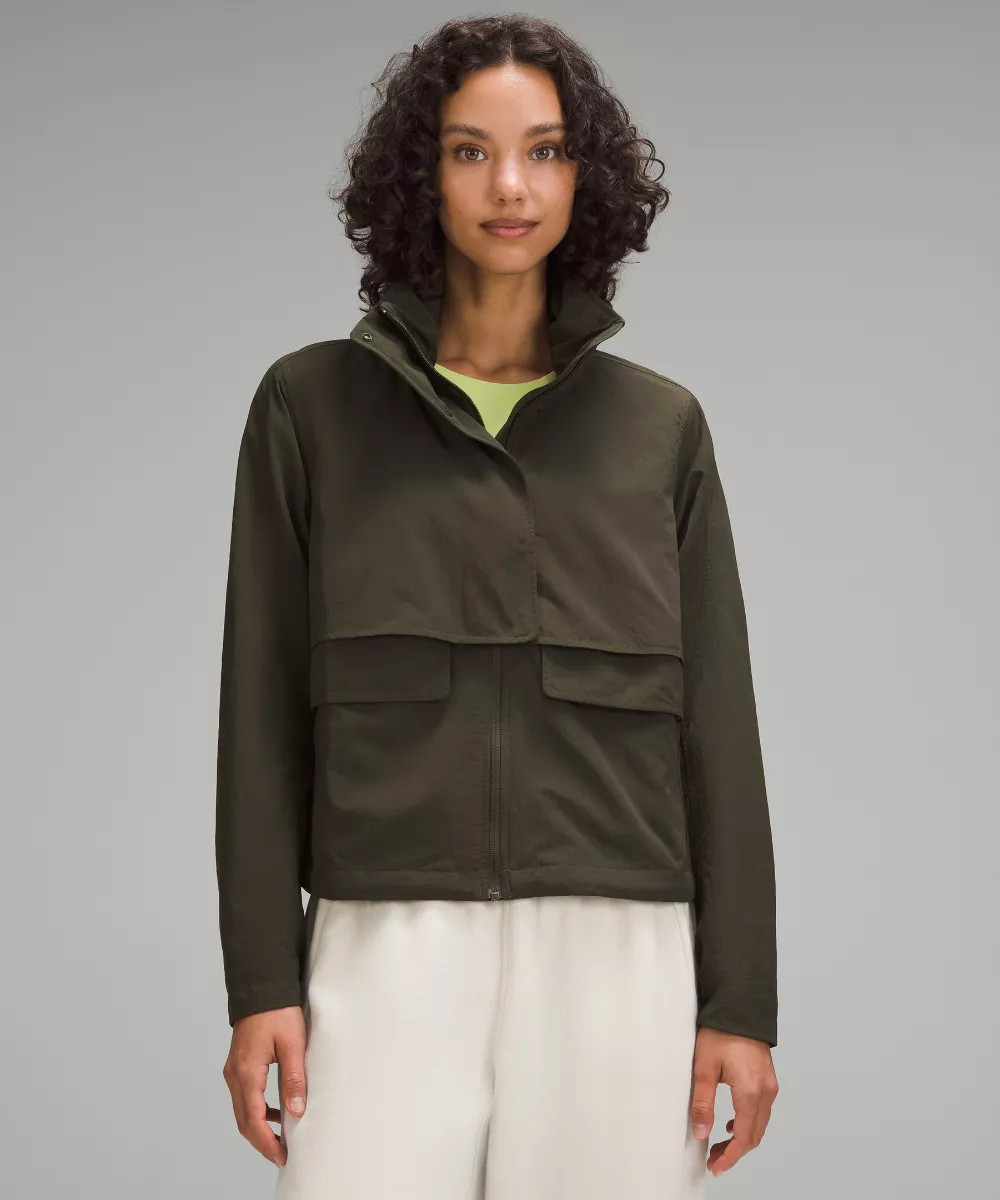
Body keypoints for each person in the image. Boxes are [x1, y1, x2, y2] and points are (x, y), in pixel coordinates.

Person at [216, 14, 779, 1199]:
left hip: (620, 941)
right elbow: (257, 714)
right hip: (382, 930)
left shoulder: (659, 428)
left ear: (587, 177)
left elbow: (719, 725)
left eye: (545, 150)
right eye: (469, 151)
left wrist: (740, 1001)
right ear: (418, 178)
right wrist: (262, 980)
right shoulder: (310, 408)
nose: (509, 186)